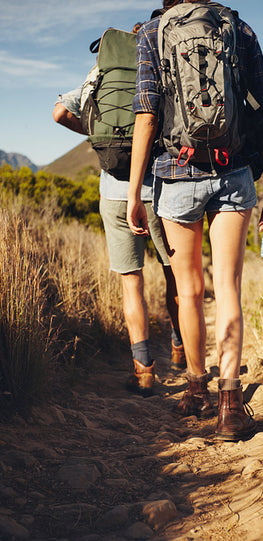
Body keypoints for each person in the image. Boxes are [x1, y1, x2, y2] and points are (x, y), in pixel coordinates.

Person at [127, 0, 263, 439]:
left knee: (190, 291)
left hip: (175, 175)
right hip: (234, 172)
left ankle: (196, 387)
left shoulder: (152, 33)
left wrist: (133, 192)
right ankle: (230, 406)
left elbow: (146, 112)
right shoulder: (239, 28)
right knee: (229, 288)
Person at [53, 23, 186, 396]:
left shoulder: (101, 73)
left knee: (132, 283)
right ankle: (180, 347)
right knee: (175, 274)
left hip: (114, 191)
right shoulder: (162, 65)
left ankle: (144, 370)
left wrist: (95, 132)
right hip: (162, 191)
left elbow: (60, 113)